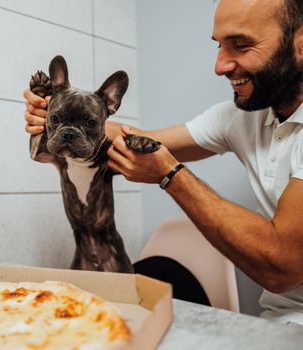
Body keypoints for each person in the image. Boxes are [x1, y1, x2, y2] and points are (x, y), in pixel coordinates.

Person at [23, 0, 303, 325]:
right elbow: (139, 138)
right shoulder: (242, 118)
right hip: (280, 321)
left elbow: (281, 268)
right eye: (219, 45)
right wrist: (55, 119)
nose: (220, 65)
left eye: (240, 45)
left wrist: (169, 174)